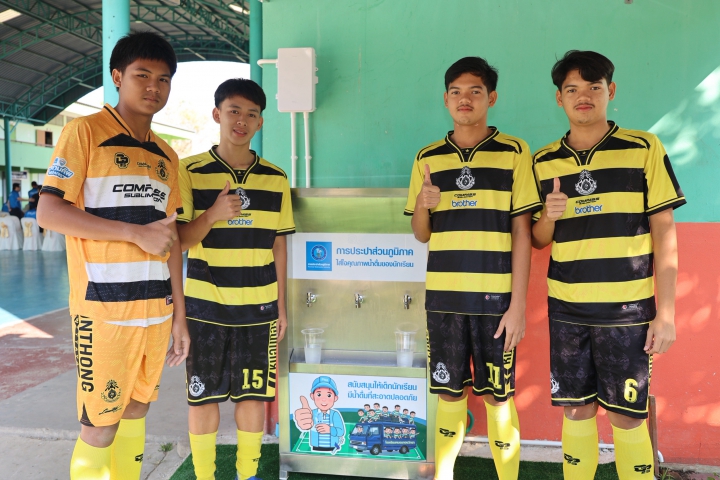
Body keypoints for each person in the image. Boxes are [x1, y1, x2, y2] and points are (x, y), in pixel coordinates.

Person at [36, 31, 189, 480]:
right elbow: (49, 211)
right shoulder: (84, 131)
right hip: (103, 312)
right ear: (118, 77)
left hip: (156, 312)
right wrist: (133, 233)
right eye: (142, 75)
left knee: (138, 409)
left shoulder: (167, 156)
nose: (153, 87)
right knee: (100, 426)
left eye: (163, 79)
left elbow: (170, 239)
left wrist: (179, 316)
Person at [531, 50, 685, 480]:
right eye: (572, 89)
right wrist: (549, 216)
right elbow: (538, 238)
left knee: (626, 417)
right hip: (567, 308)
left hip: (627, 311)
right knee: (576, 411)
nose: (583, 96)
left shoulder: (643, 148)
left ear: (610, 91)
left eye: (593, 87)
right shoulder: (543, 161)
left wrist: (666, 314)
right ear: (559, 97)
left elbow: (665, 232)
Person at [405, 56, 542, 480]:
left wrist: (517, 305)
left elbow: (523, 232)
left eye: (475, 92)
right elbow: (421, 233)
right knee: (448, 395)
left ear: (491, 98)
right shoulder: (428, 157)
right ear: (446, 99)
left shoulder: (514, 151)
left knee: (498, 398)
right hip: (444, 300)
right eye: (457, 92)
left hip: (495, 302)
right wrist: (424, 205)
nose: (465, 99)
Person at [177, 78, 295, 480]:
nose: (241, 121)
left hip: (258, 308)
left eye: (251, 114)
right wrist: (212, 214)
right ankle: (204, 476)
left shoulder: (275, 178)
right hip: (204, 307)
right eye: (233, 111)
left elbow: (279, 244)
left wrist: (281, 307)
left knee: (253, 396)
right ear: (217, 115)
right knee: (202, 396)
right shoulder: (189, 170)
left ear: (260, 122)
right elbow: (179, 240)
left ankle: (248, 474)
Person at [293, 376, 346, 455]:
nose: (323, 399)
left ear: (335, 398)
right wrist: (303, 423)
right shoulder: (311, 413)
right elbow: (307, 424)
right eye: (319, 394)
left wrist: (329, 429)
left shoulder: (335, 414)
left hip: (332, 447)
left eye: (329, 395)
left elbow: (341, 431)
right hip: (316, 447)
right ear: (312, 396)